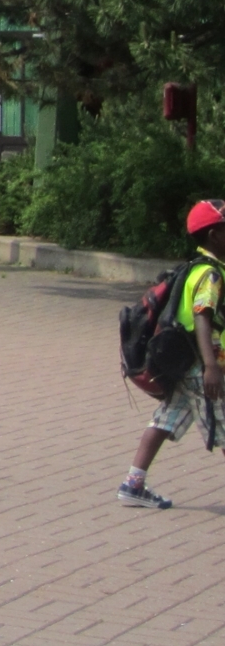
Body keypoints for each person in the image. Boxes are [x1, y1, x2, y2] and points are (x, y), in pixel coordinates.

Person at [118, 200, 225, 508]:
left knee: (166, 419)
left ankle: (133, 484)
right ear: (215, 235)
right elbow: (202, 317)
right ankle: (133, 485)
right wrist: (211, 367)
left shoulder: (196, 268)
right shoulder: (210, 275)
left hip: (186, 366)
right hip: (202, 366)